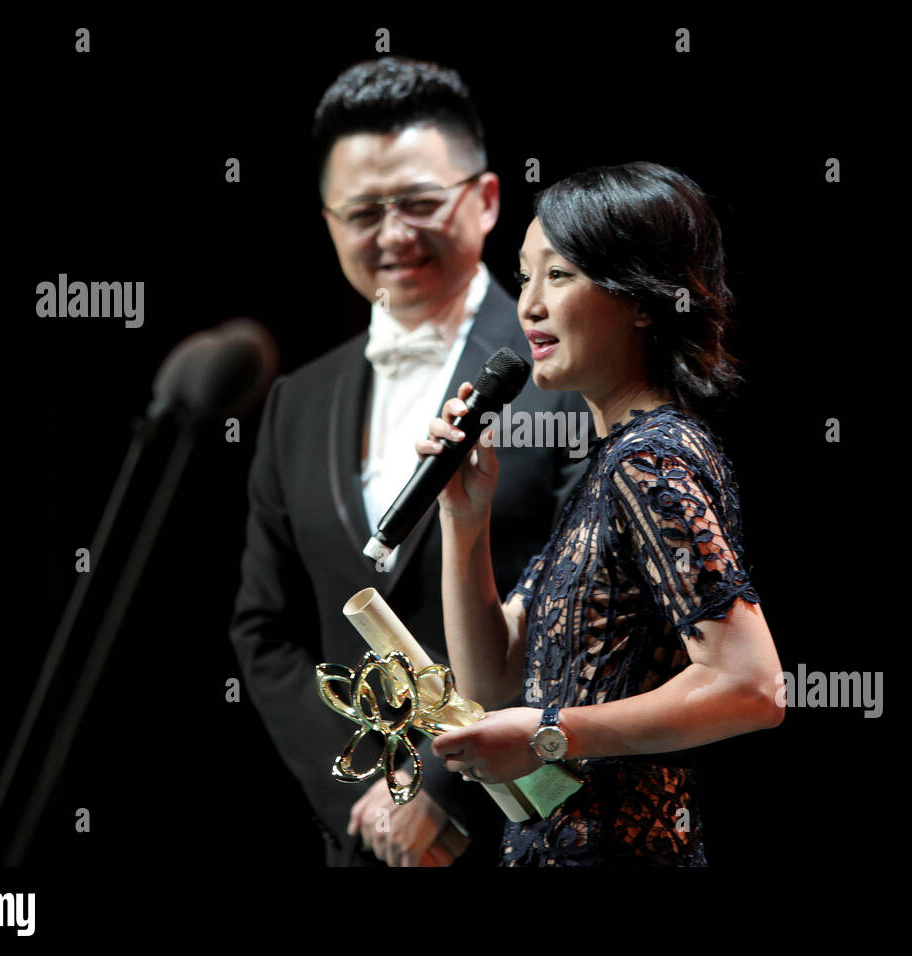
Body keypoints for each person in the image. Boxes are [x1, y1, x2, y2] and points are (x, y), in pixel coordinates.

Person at [228, 56, 588, 868]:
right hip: (360, 843)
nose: (392, 234)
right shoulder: (297, 400)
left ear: (486, 199)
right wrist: (379, 794)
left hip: (527, 831)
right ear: (328, 221)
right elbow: (264, 628)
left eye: (421, 203)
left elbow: (579, 611)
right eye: (362, 211)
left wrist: (440, 789)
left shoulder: (568, 374)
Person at [420, 162, 785, 865]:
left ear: (643, 300)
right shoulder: (610, 466)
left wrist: (551, 733)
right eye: (524, 277)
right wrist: (463, 521)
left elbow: (752, 685)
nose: (528, 306)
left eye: (559, 275)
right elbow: (492, 685)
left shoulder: (651, 459)